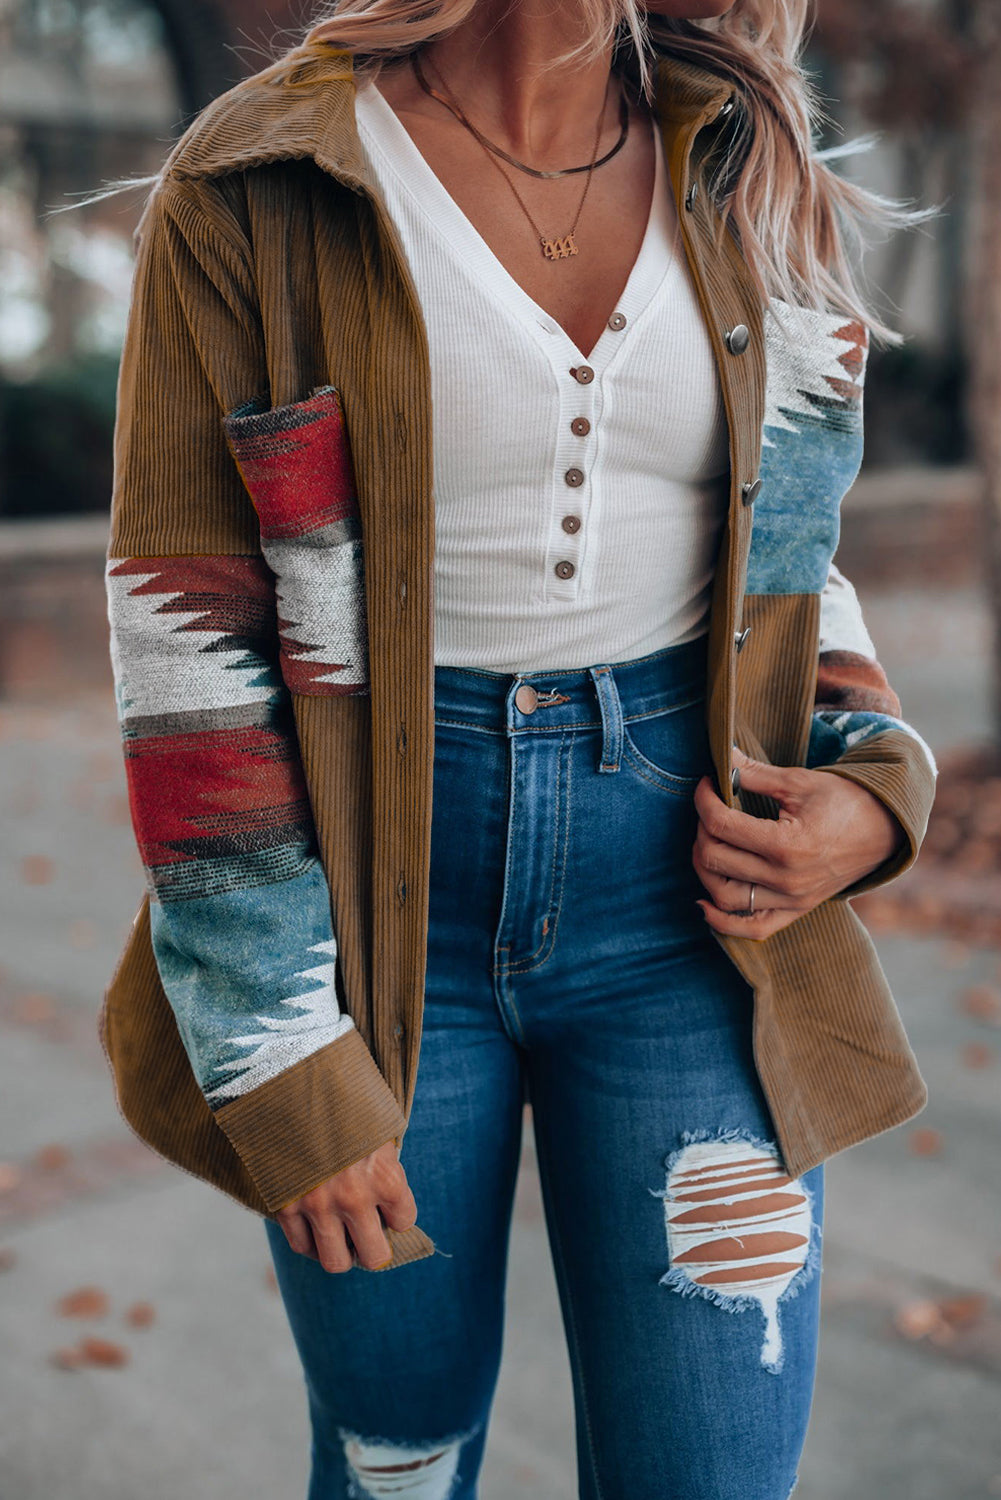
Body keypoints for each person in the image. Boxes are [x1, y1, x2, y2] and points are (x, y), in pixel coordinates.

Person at [101, 0, 937, 1495]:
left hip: (692, 929)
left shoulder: (747, 154)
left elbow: (787, 559)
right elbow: (192, 654)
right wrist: (279, 1053)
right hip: (371, 941)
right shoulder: (262, 178)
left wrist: (873, 781)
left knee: (715, 1471)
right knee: (395, 1468)